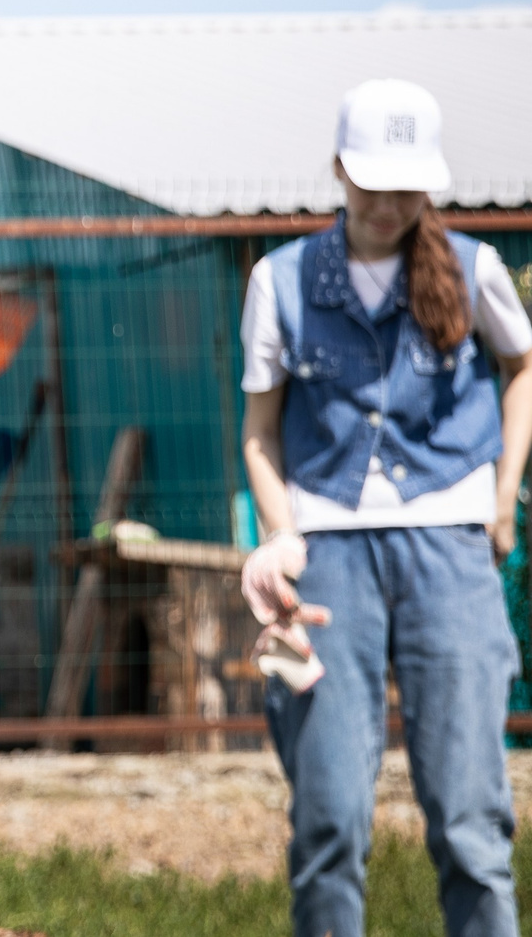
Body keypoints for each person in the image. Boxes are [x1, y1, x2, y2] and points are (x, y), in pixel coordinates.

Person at [239, 79, 531, 937]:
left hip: (450, 548)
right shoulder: (279, 280)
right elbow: (260, 433)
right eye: (373, 181)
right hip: (327, 553)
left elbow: (524, 369)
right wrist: (280, 536)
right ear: (339, 169)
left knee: (472, 824)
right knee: (328, 821)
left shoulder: (473, 269)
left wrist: (504, 491)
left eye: (408, 185)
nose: (390, 202)